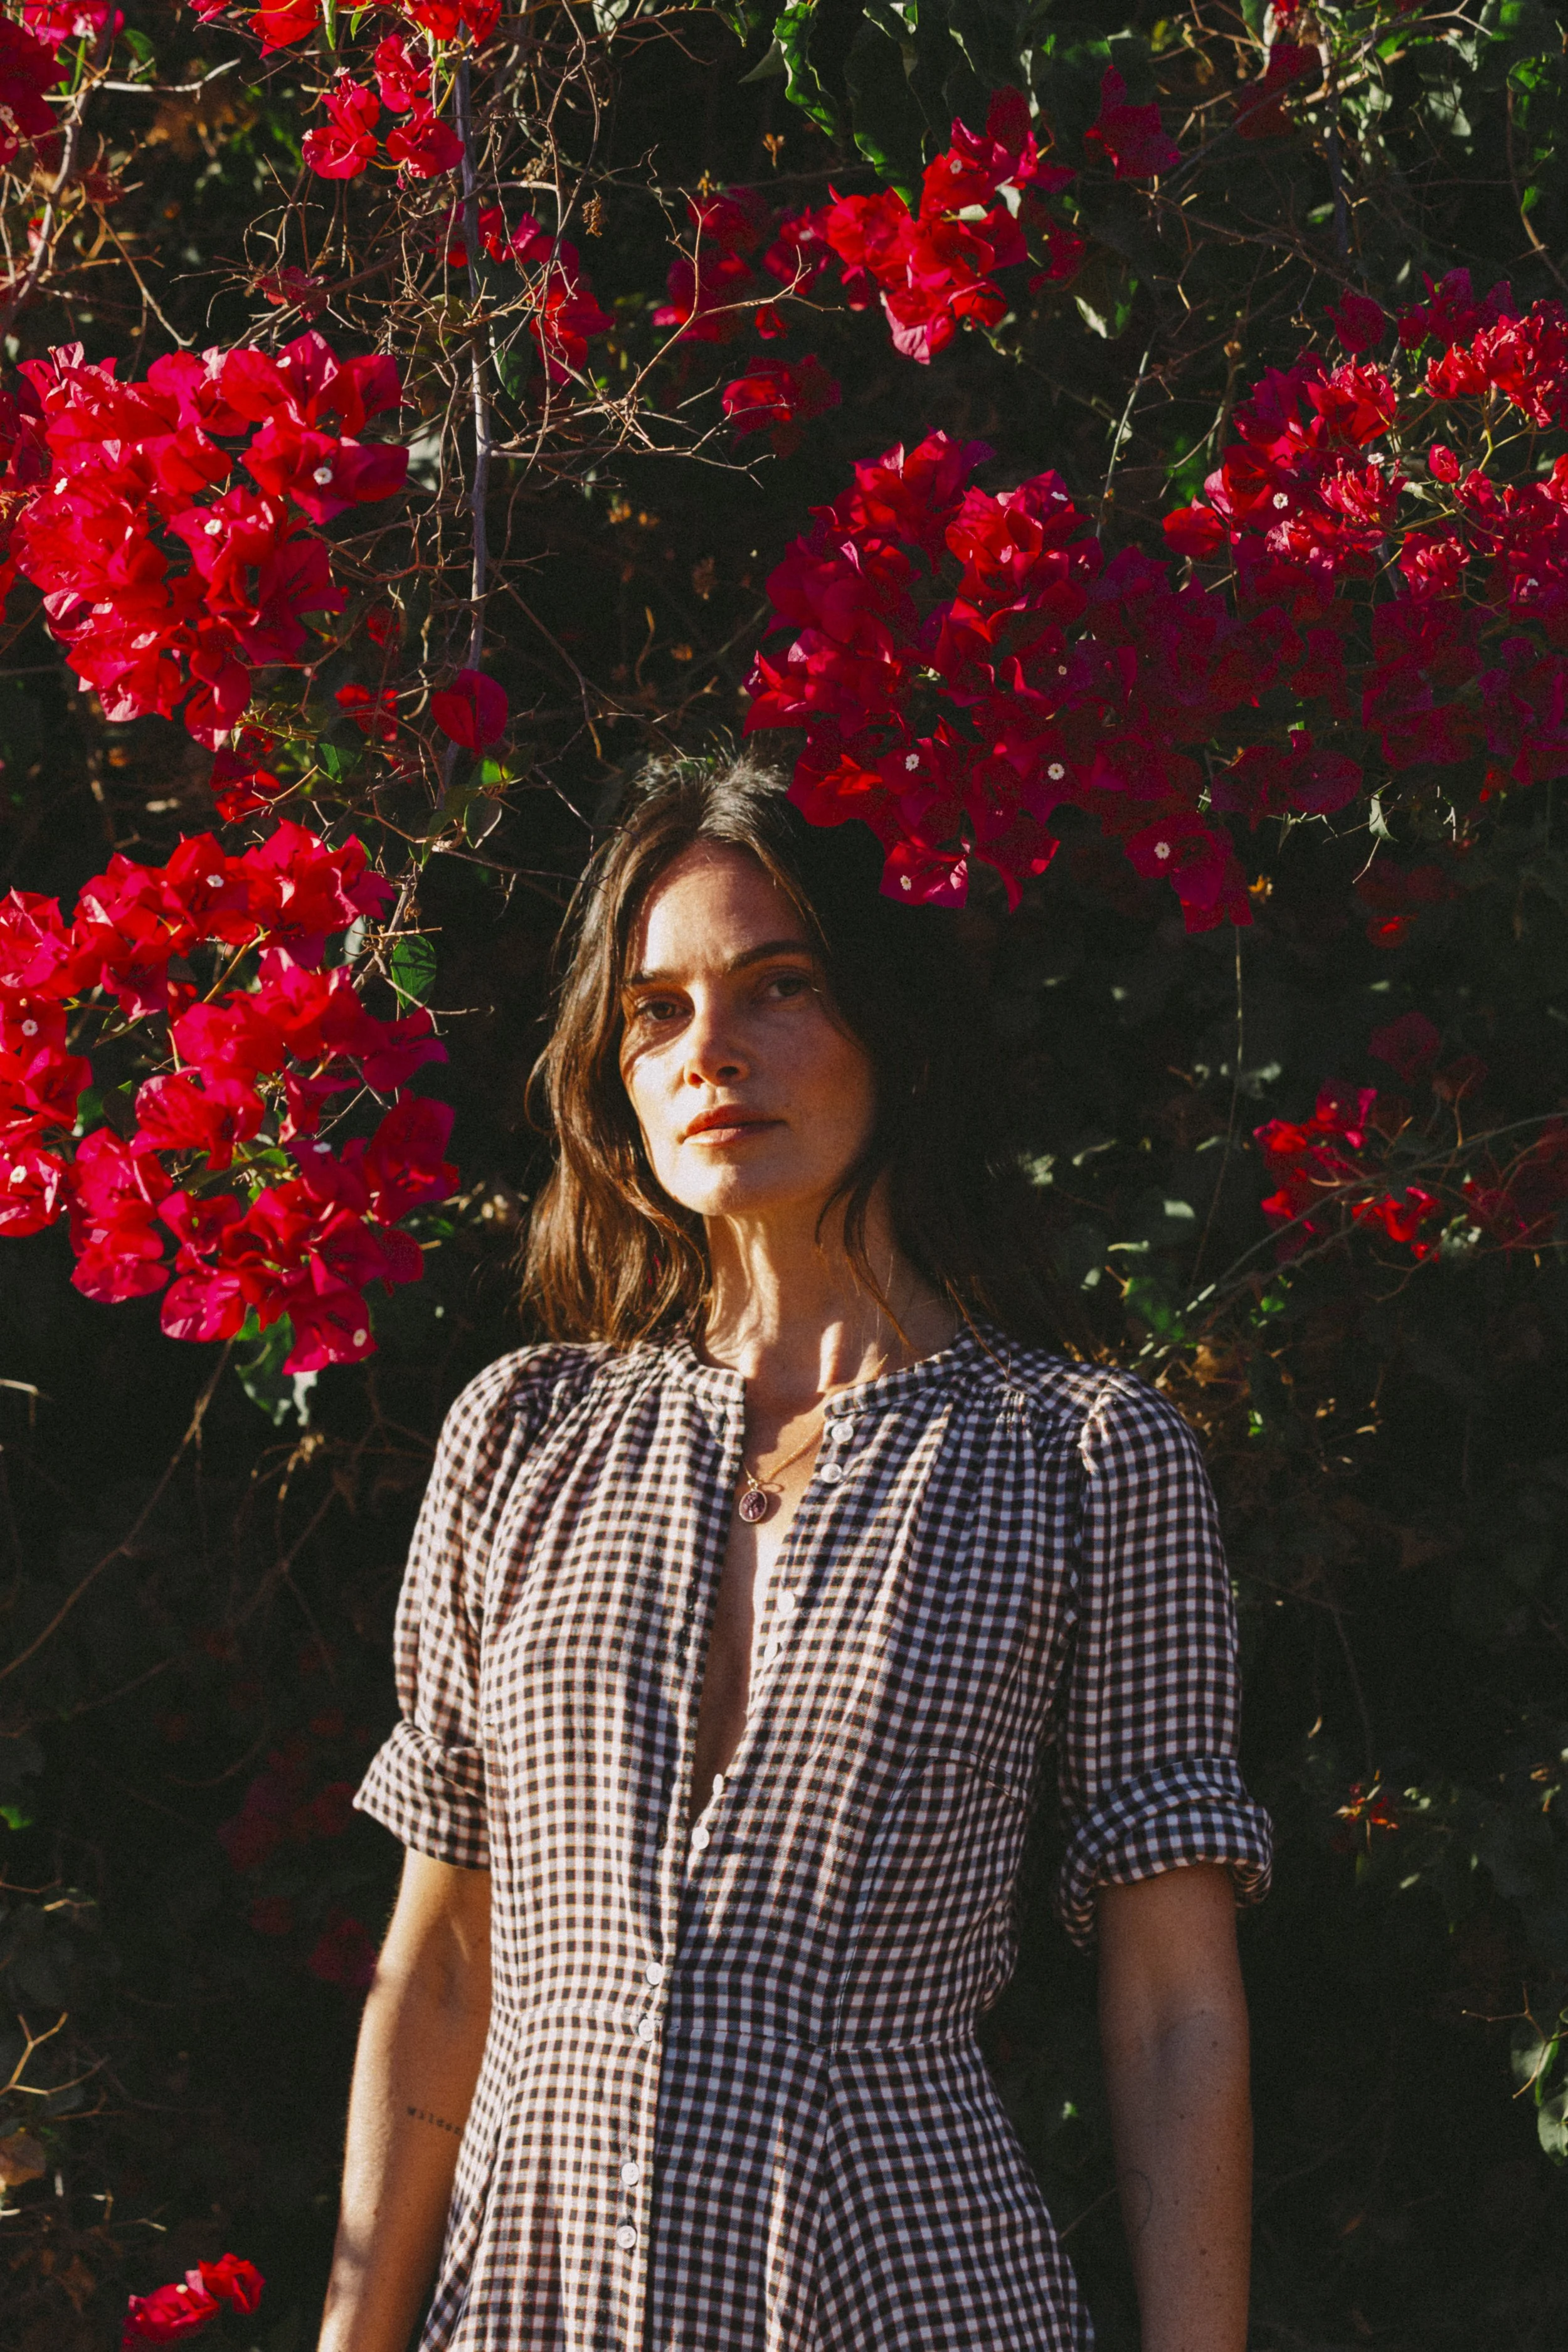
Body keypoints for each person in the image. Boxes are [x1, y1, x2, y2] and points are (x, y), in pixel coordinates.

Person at [317, 756, 1272, 2352]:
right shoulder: (521, 1436)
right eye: (657, 1011)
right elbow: (441, 1970)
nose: (712, 1052)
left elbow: (1174, 2012)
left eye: (780, 986)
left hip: (905, 2289)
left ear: (894, 1023)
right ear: (614, 1073)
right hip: (535, 2294)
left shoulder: (1084, 1458)